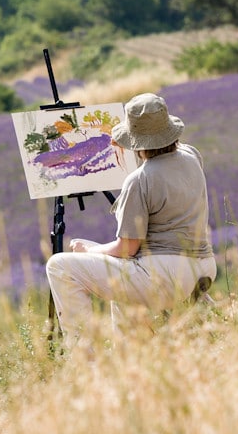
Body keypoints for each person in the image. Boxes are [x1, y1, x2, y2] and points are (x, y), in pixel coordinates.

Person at [45, 92, 216, 353]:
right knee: (121, 283)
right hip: (204, 265)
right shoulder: (192, 156)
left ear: (135, 141)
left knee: (59, 266)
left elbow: (127, 248)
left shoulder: (139, 180)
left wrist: (89, 249)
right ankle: (132, 357)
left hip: (167, 276)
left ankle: (86, 361)